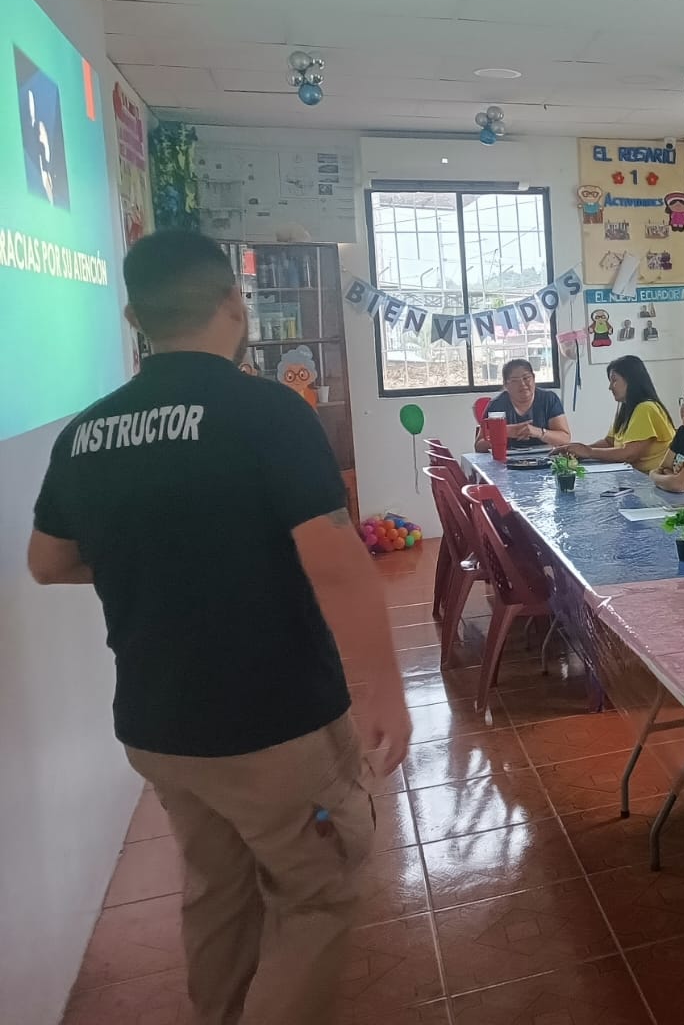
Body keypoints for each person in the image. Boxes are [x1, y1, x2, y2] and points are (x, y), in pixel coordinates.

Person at [26, 232, 410, 1025]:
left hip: (158, 728)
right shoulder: (266, 411)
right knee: (318, 895)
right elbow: (337, 564)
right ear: (235, 303)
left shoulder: (85, 433)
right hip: (275, 730)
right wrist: (385, 692)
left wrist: (153, 560)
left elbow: (47, 561)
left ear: (135, 318)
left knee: (217, 892)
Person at [561, 354, 673, 473]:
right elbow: (609, 442)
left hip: (653, 479)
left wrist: (589, 452)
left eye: (614, 380)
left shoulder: (646, 408)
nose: (610, 387)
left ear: (631, 380)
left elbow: (629, 455)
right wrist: (577, 450)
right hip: (635, 475)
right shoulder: (626, 408)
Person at [473, 358, 571, 451]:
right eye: (515, 381)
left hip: (546, 458)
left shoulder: (549, 399)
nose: (522, 384)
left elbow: (565, 438)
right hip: (506, 459)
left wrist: (539, 432)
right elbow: (479, 445)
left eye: (526, 378)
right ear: (506, 385)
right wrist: (504, 432)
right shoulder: (497, 405)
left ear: (533, 378)